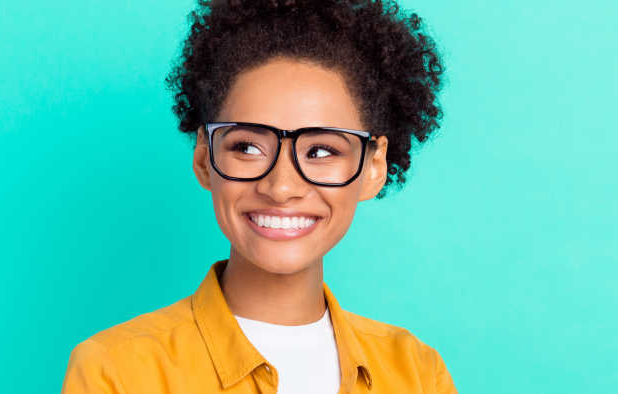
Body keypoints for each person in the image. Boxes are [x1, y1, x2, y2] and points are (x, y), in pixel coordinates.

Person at [62, 0, 456, 393]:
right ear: (204, 158)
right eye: (248, 147)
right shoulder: (116, 372)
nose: (281, 188)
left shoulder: (419, 373)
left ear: (373, 169)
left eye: (321, 151)